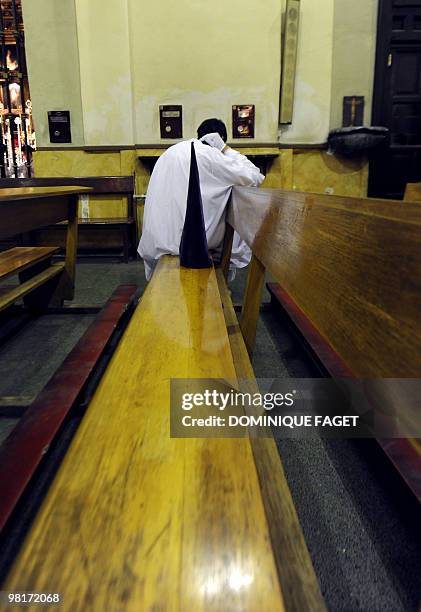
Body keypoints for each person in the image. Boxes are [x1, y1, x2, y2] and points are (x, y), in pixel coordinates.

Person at [138, 118, 265, 280]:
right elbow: (254, 176)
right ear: (221, 139)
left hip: (154, 246)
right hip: (188, 250)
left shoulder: (171, 151)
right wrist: (225, 149)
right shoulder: (210, 154)